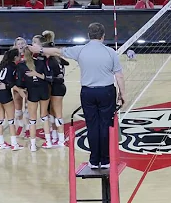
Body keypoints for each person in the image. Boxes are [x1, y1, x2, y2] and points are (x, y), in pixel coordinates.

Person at [29, 23, 126, 168]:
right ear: (103, 36)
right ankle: (105, 160)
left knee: (92, 126)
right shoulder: (110, 52)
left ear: (88, 35)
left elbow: (58, 52)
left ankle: (94, 160)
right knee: (105, 126)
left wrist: (40, 49)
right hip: (106, 91)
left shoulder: (80, 50)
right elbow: (119, 76)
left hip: (88, 92)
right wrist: (123, 94)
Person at [15, 37, 50, 152]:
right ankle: (48, 141)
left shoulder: (21, 65)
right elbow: (47, 77)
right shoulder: (41, 62)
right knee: (44, 117)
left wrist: (22, 88)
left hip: (32, 92)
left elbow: (20, 82)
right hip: (44, 90)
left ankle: (33, 145)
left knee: (32, 120)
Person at [0, 48, 24, 150]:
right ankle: (14, 144)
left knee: (0, 119)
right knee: (11, 120)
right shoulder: (13, 67)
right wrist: (19, 90)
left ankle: (1, 143)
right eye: (19, 55)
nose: (20, 57)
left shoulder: (3, 65)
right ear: (15, 58)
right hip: (4, 93)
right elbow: (10, 82)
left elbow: (0, 79)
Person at [42, 31, 67, 147]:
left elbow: (50, 77)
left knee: (58, 114)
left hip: (57, 88)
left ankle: (61, 140)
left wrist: (39, 76)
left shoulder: (51, 61)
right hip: (58, 86)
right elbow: (66, 63)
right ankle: (55, 136)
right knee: (52, 112)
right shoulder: (56, 59)